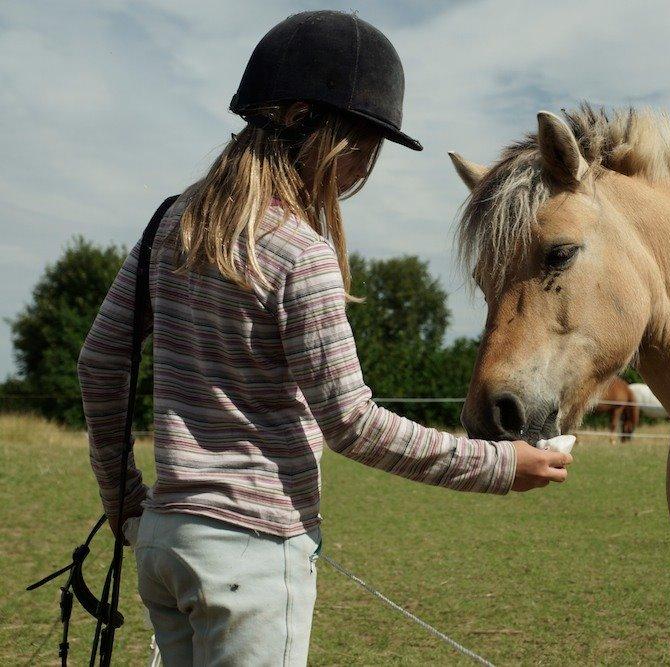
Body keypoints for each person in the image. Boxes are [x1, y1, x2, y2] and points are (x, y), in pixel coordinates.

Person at [77, 11, 571, 666]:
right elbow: (352, 424)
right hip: (250, 558)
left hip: (167, 541)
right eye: (365, 143)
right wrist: (501, 467)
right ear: (311, 123)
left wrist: (124, 497)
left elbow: (98, 360)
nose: (365, 165)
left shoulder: (170, 224)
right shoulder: (298, 251)